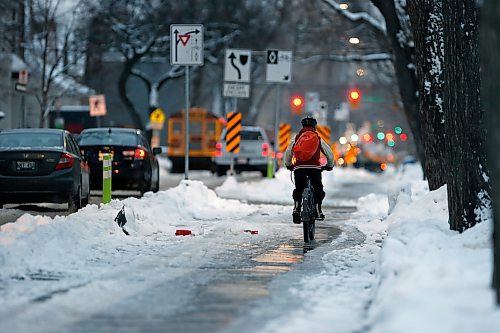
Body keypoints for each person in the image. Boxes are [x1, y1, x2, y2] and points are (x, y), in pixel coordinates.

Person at [284, 116, 334, 224]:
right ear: (314, 126)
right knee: (318, 189)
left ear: (302, 126)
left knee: (299, 189)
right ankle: (317, 209)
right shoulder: (317, 138)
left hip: (299, 168)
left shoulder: (297, 138)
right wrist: (329, 165)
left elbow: (288, 153)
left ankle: (296, 208)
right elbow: (329, 154)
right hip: (314, 168)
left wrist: (289, 165)